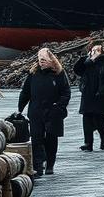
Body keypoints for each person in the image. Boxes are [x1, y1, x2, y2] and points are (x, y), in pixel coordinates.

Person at [18, 47, 71, 177]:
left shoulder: (59, 73)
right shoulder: (33, 73)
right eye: (40, 59)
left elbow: (66, 92)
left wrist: (59, 106)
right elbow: (26, 91)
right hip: (36, 110)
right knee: (36, 138)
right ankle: (38, 166)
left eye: (44, 59)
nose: (41, 62)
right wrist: (20, 107)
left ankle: (50, 164)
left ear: (51, 60)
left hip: (52, 112)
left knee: (51, 139)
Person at [74, 42, 104, 151]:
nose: (94, 52)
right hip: (87, 94)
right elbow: (77, 70)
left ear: (101, 52)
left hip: (100, 95)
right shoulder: (87, 62)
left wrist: (102, 90)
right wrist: (85, 59)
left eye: (97, 50)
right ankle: (88, 143)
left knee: (98, 120)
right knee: (86, 119)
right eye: (93, 50)